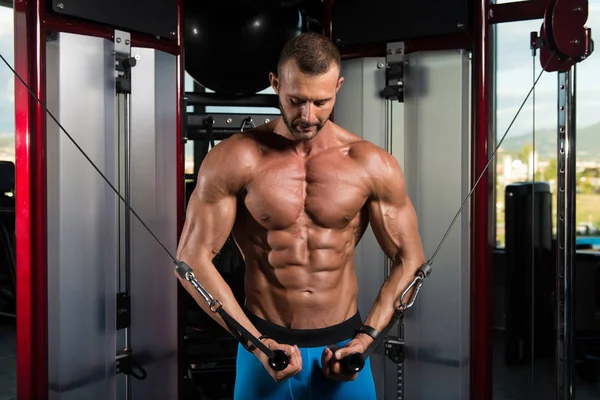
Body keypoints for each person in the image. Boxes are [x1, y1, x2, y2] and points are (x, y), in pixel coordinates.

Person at [176, 32, 425, 400]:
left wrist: (365, 340)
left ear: (338, 86)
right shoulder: (235, 159)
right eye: (296, 101)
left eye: (321, 102)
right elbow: (191, 260)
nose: (308, 116)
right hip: (263, 348)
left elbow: (411, 260)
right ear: (275, 84)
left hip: (344, 349)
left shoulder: (371, 164)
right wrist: (257, 343)